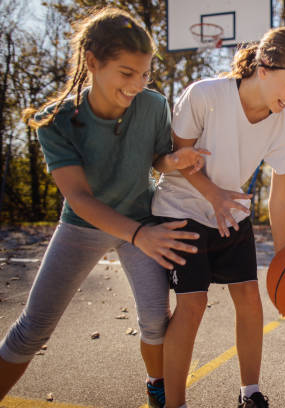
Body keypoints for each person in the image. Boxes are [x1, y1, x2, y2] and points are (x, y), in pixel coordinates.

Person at [0, 7, 208, 407]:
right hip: (85, 226)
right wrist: (139, 234)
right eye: (126, 73)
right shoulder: (57, 120)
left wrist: (173, 161)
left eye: (145, 73)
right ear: (92, 63)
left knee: (155, 322)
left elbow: (157, 158)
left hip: (140, 222)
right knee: (32, 329)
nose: (137, 84)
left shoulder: (153, 105)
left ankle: (156, 385)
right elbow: (79, 198)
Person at [151, 26, 285, 408]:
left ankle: (250, 393)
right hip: (181, 208)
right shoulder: (206, 95)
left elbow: (279, 199)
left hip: (230, 214)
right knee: (192, 306)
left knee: (250, 299)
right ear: (264, 68)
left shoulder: (284, 124)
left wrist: (283, 258)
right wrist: (213, 194)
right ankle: (174, 403)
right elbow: (177, 159)